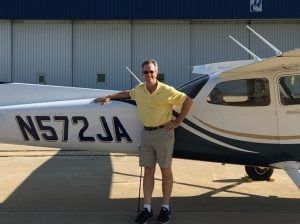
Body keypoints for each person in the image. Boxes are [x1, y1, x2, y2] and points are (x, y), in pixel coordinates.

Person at [95, 60, 193, 224]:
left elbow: (188, 101)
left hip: (164, 133)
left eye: (151, 72)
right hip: (147, 134)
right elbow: (127, 93)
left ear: (157, 72)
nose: (149, 75)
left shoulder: (167, 90)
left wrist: (178, 122)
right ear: (142, 74)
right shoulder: (140, 90)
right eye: (145, 72)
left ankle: (165, 207)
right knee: (148, 171)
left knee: (165, 170)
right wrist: (109, 97)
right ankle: (147, 208)